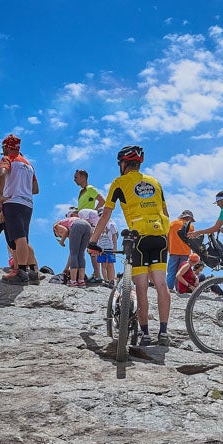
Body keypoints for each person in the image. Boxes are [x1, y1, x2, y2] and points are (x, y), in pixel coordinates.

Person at [88, 146, 171, 345]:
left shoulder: (119, 182)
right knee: (161, 284)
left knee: (141, 286)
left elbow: (105, 215)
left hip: (139, 238)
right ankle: (164, 333)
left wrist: (93, 241)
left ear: (123, 164)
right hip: (160, 237)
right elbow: (166, 214)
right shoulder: (155, 182)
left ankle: (146, 334)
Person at [0, 135, 40, 285]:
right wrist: (23, 188)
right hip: (27, 204)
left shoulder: (8, 158)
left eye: (3, 148)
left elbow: (2, 174)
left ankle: (21, 273)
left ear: (6, 147)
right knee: (24, 238)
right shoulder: (29, 164)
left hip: (13, 202)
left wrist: (1, 195)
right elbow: (36, 189)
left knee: (18, 238)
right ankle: (33, 272)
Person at [53, 212, 93, 287]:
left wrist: (62, 241)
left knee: (74, 253)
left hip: (76, 226)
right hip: (87, 226)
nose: (61, 236)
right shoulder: (68, 223)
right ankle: (81, 281)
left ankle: (73, 281)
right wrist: (66, 268)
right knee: (81, 254)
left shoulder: (56, 226)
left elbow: (65, 231)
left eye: (59, 235)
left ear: (55, 231)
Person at [167, 209, 195, 290]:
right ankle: (179, 289)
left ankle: (169, 288)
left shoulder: (172, 224)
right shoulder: (191, 226)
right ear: (189, 218)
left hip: (173, 251)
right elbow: (193, 240)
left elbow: (167, 237)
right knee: (181, 272)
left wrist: (168, 248)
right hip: (185, 253)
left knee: (171, 271)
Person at [92, 207, 119, 287]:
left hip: (110, 247)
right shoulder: (97, 225)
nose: (102, 216)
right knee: (103, 264)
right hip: (101, 248)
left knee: (110, 264)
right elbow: (96, 237)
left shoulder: (111, 225)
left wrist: (115, 248)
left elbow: (114, 236)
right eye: (100, 215)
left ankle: (111, 280)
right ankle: (106, 280)